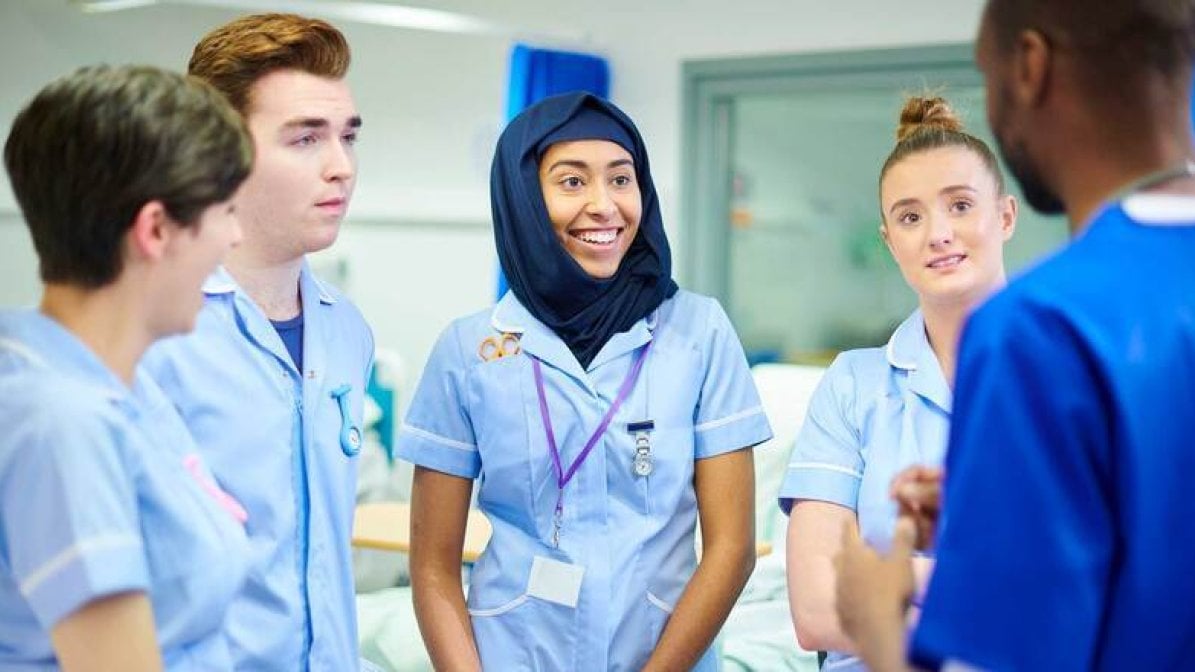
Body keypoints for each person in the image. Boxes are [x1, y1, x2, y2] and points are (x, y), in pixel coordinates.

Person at [833, 1, 1195, 669]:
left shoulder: (1039, 329)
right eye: (909, 217)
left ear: (1028, 67)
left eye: (985, 73)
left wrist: (875, 615)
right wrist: (1016, 503)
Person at [397, 92, 772, 671]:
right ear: (525, 200)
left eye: (621, 179)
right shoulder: (469, 351)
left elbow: (732, 549)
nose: (604, 205)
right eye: (572, 182)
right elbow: (431, 567)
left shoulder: (698, 333)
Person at [142, 13, 374, 670]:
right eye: (306, 139)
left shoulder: (346, 330)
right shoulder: (153, 337)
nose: (341, 168)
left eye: (348, 138)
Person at [0, 65, 251, 670]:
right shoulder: (62, 423)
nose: (235, 237)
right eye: (226, 211)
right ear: (156, 230)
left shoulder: (117, 389)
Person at [779, 95, 1016, 671]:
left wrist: (895, 578)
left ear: (1006, 216)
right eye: (910, 217)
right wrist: (992, 592)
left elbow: (1098, 588)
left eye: (960, 205)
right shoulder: (853, 385)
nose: (938, 234)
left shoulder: (1066, 370)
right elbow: (816, 611)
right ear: (888, 241)